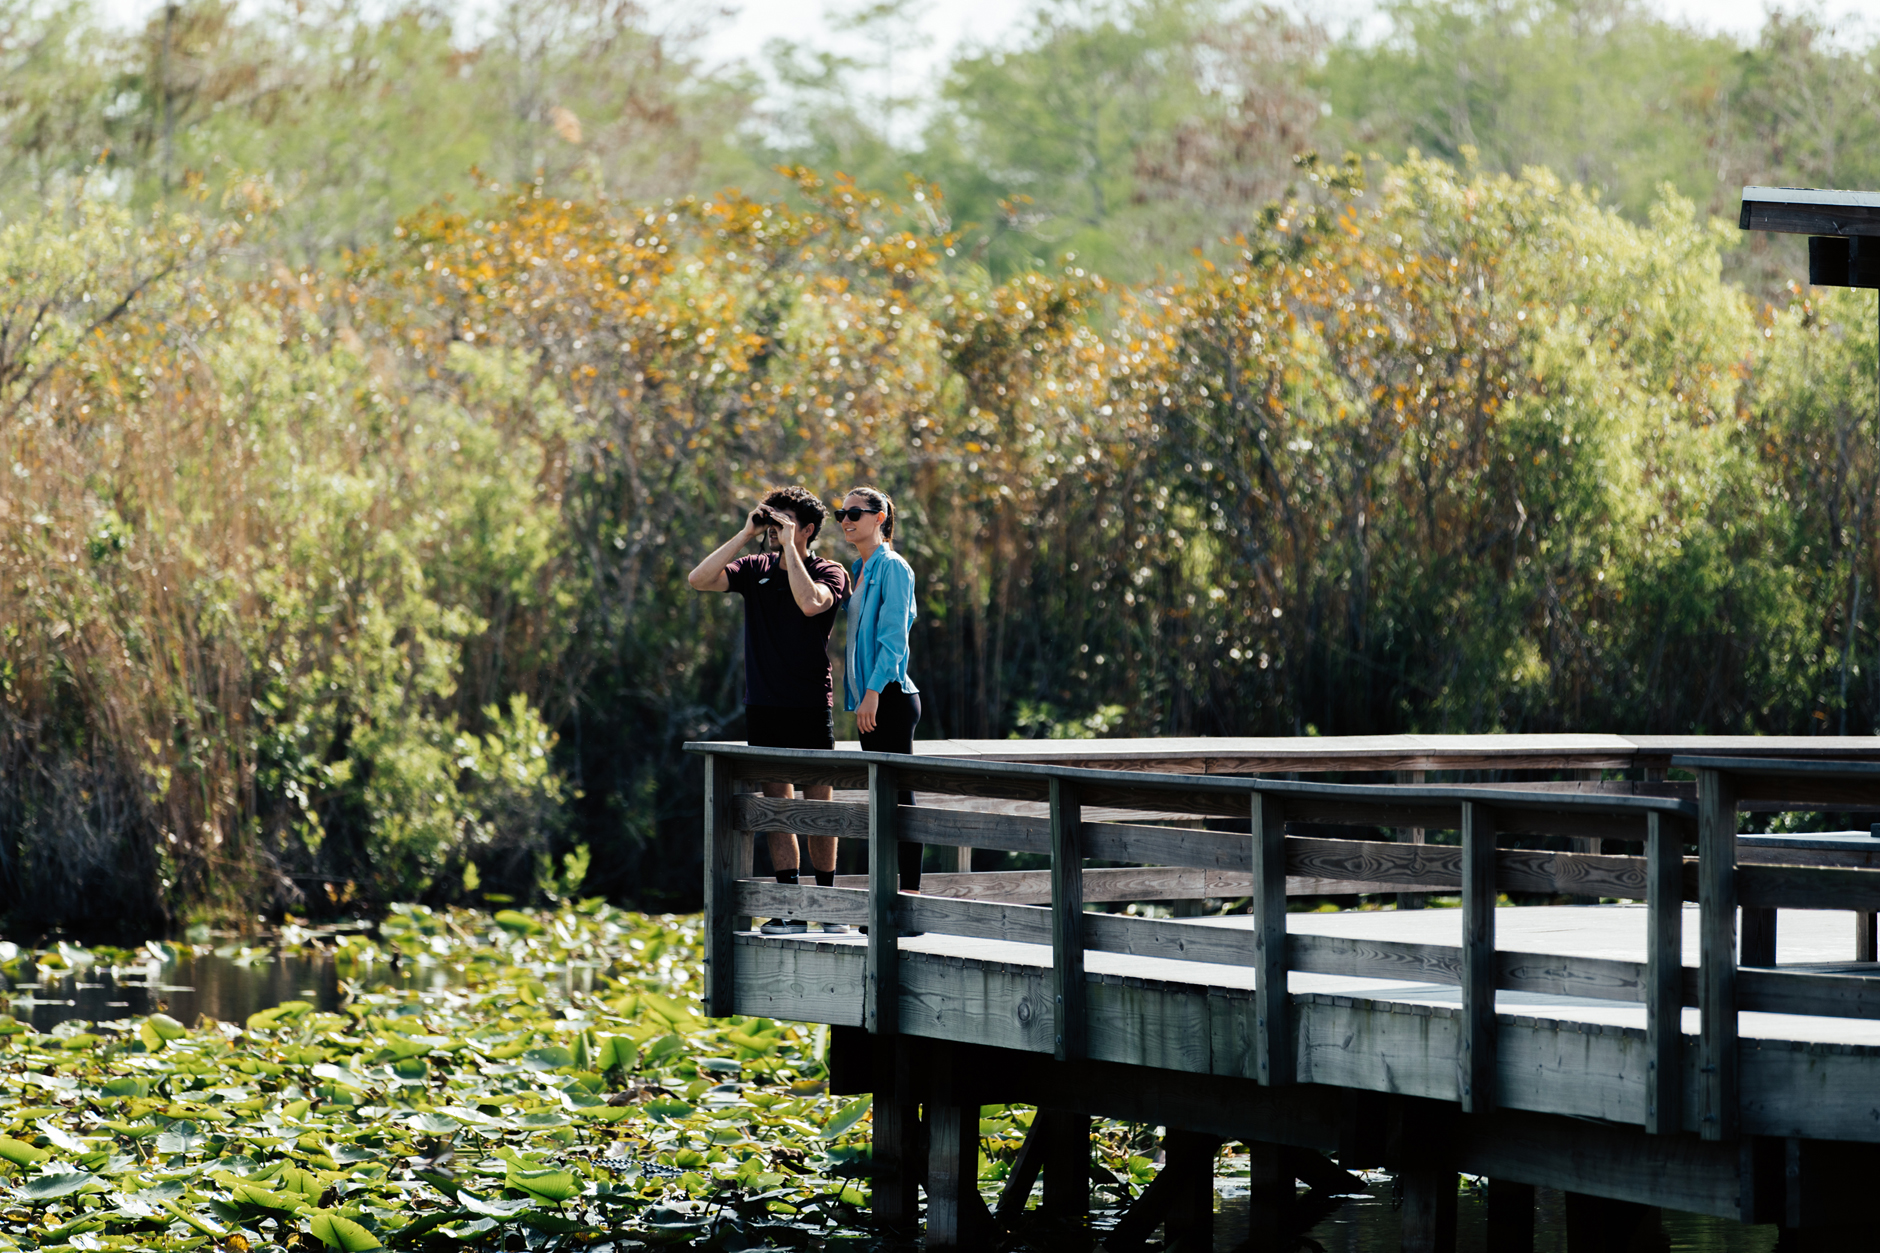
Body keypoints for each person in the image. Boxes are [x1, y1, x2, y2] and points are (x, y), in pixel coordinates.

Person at [687, 486, 850, 935]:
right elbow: (699, 579)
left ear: (809, 529)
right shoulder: (754, 567)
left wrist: (792, 548)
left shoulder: (829, 570)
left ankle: (830, 908)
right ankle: (790, 908)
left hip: (810, 705)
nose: (774, 529)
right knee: (777, 808)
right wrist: (745, 534)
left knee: (820, 808)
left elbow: (810, 602)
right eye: (771, 520)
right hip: (764, 706)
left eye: (785, 522)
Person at [835, 486, 924, 899]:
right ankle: (884, 902)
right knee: (880, 803)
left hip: (889, 697)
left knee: (899, 802)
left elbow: (893, 640)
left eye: (854, 512)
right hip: (870, 700)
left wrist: (870, 694)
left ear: (880, 516)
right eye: (841, 513)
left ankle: (909, 900)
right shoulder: (860, 567)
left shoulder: (894, 568)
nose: (846, 520)